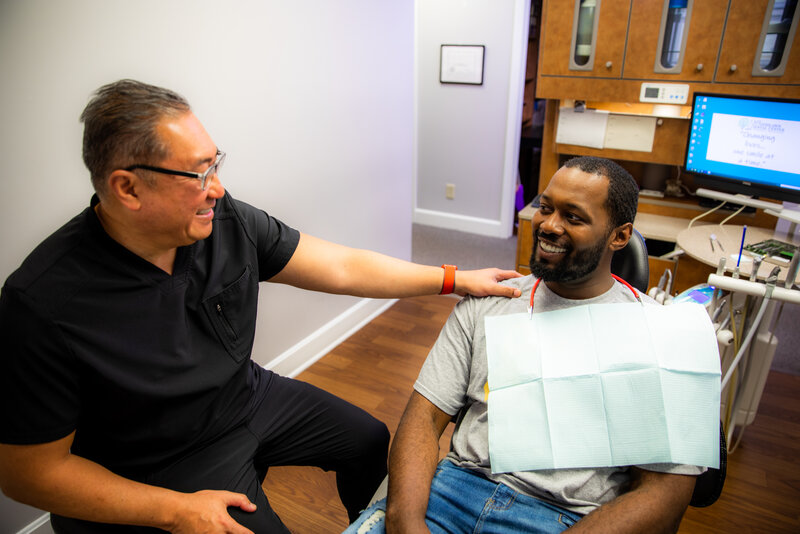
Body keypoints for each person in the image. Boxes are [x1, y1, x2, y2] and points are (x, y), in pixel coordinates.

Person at [0, 79, 523, 534]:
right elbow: (29, 473)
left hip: (244, 398)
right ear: (128, 188)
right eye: (198, 174)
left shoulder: (220, 219)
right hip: (159, 462)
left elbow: (339, 266)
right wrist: (174, 512)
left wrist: (454, 279)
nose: (218, 188)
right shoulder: (44, 303)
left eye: (215, 164)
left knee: (367, 440)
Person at [346, 156, 704, 534]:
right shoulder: (489, 301)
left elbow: (665, 491)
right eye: (545, 208)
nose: (549, 225)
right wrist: (406, 521)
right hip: (451, 491)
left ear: (619, 236)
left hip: (563, 519)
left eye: (573, 217)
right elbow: (422, 417)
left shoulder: (662, 336)